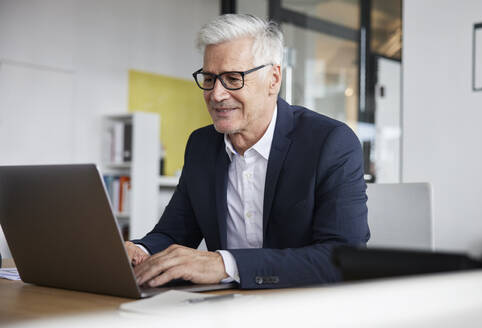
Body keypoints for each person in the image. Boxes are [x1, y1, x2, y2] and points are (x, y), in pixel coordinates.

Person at [125, 14, 369, 289]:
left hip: (303, 305)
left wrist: (225, 264)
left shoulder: (330, 143)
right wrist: (139, 251)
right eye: (209, 78)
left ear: (273, 79)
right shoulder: (201, 145)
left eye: (232, 78)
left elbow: (342, 258)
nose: (216, 95)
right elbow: (174, 233)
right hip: (225, 307)